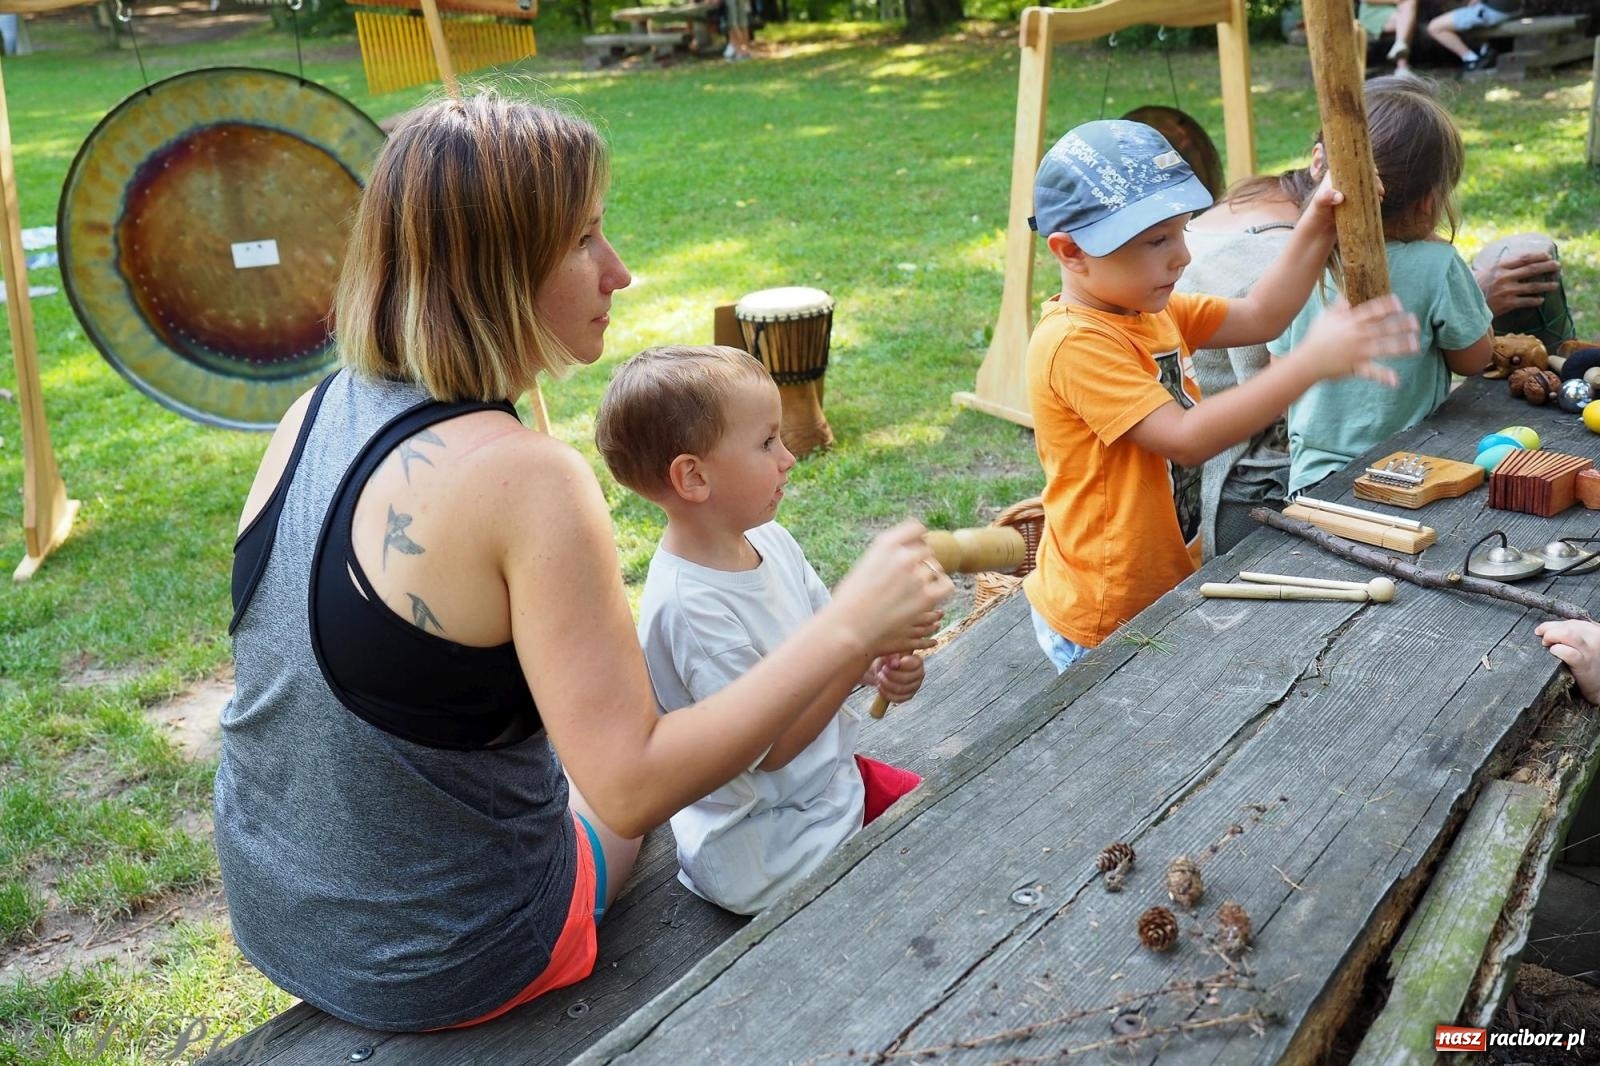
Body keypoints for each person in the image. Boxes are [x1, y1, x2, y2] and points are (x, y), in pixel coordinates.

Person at [214, 92, 951, 1033]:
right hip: (453, 957)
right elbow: (631, 783)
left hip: (286, 917)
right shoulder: (527, 479)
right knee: (636, 804)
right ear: (498, 270)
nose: (622, 271)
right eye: (584, 240)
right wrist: (850, 625)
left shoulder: (312, 413)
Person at [1021, 118, 1419, 673]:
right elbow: (1184, 440)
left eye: (1181, 231)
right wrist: (1308, 364)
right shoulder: (1075, 343)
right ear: (1071, 251)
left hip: (1157, 588)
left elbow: (1263, 314)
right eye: (1156, 241)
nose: (1181, 256)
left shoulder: (1152, 311)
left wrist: (1318, 221)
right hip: (1104, 613)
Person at [595, 345, 930, 915]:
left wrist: (877, 665)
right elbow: (770, 752)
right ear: (693, 476)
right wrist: (861, 644)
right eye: (766, 442)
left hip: (823, 791)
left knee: (959, 805)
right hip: (767, 848)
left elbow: (827, 642)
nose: (789, 459)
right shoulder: (689, 609)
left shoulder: (769, 539)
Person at [1268, 77, 1494, 496]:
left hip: (1312, 480)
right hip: (1411, 472)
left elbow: (1280, 375)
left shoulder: (1297, 264)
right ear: (1430, 200)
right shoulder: (1437, 264)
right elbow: (1475, 358)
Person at [1425, 0, 1514, 72]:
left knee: (1434, 27)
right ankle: (1484, 51)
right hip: (1509, 8)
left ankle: (1471, 60)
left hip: (1493, 10)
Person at [1357, 0, 1419, 74]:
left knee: (1409, 6)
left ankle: (1400, 46)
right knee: (1405, 23)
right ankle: (1402, 66)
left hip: (1398, 12)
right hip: (1373, 11)